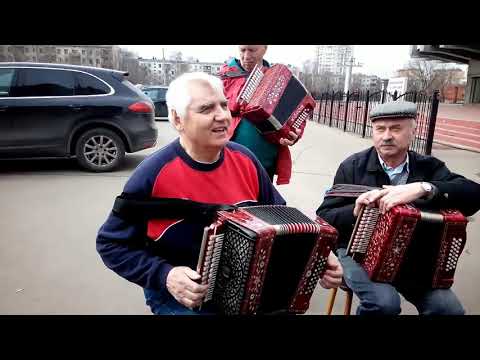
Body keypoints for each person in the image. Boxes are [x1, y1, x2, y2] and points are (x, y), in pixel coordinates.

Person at [96, 72, 343, 315]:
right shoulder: (153, 173)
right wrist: (165, 276)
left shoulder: (246, 159)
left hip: (246, 289)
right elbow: (111, 244)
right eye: (206, 109)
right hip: (185, 297)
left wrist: (318, 255)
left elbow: (282, 220)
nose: (222, 116)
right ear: (177, 119)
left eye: (224, 105)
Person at [316, 101, 480, 315]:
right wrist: (359, 213)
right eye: (380, 129)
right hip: (359, 253)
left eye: (396, 128)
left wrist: (424, 187)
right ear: (372, 132)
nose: (386, 136)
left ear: (412, 131)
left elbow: (473, 194)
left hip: (414, 259)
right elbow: (325, 217)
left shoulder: (429, 167)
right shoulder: (353, 166)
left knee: (448, 309)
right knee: (384, 304)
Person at [219, 45, 302, 185]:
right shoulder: (226, 76)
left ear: (265, 49)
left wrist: (293, 135)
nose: (246, 56)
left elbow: (294, 114)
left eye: (252, 50)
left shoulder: (279, 77)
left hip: (266, 161)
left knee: (262, 204)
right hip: (230, 158)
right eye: (242, 50)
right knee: (231, 204)